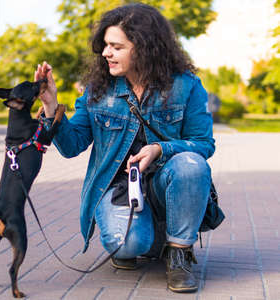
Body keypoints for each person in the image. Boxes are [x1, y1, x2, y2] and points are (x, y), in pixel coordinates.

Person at [34, 3, 214, 293]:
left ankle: (179, 252)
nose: (106, 53)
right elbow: (71, 145)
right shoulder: (99, 90)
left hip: (165, 183)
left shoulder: (186, 86)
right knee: (127, 244)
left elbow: (203, 145)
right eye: (106, 45)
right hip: (119, 187)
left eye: (116, 47)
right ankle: (147, 236)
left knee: (192, 164)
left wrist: (159, 149)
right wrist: (50, 105)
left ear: (144, 48)